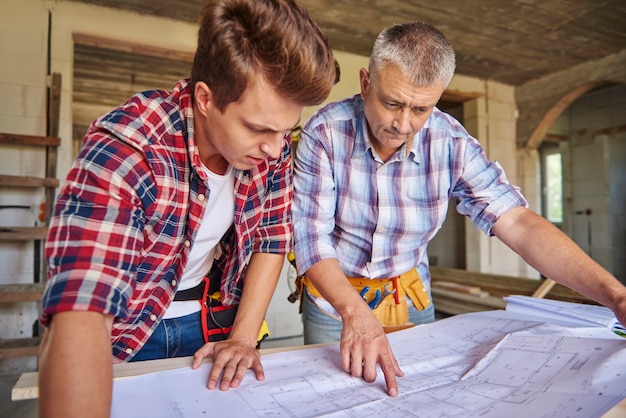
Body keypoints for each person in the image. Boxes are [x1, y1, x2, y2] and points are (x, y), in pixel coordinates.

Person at [292, 21, 626, 398]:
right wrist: (354, 314)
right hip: (334, 302)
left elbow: (517, 221)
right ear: (366, 82)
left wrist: (615, 296)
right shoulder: (324, 133)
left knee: (415, 398)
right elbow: (310, 236)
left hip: (410, 295)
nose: (402, 125)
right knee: (330, 397)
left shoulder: (451, 141)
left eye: (421, 109)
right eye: (391, 103)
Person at [37, 0, 337, 416]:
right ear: (205, 99)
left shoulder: (272, 146)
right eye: (258, 128)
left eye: (286, 130)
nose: (274, 148)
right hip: (124, 333)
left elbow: (271, 237)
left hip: (211, 320)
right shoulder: (129, 148)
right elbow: (84, 306)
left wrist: (243, 337)